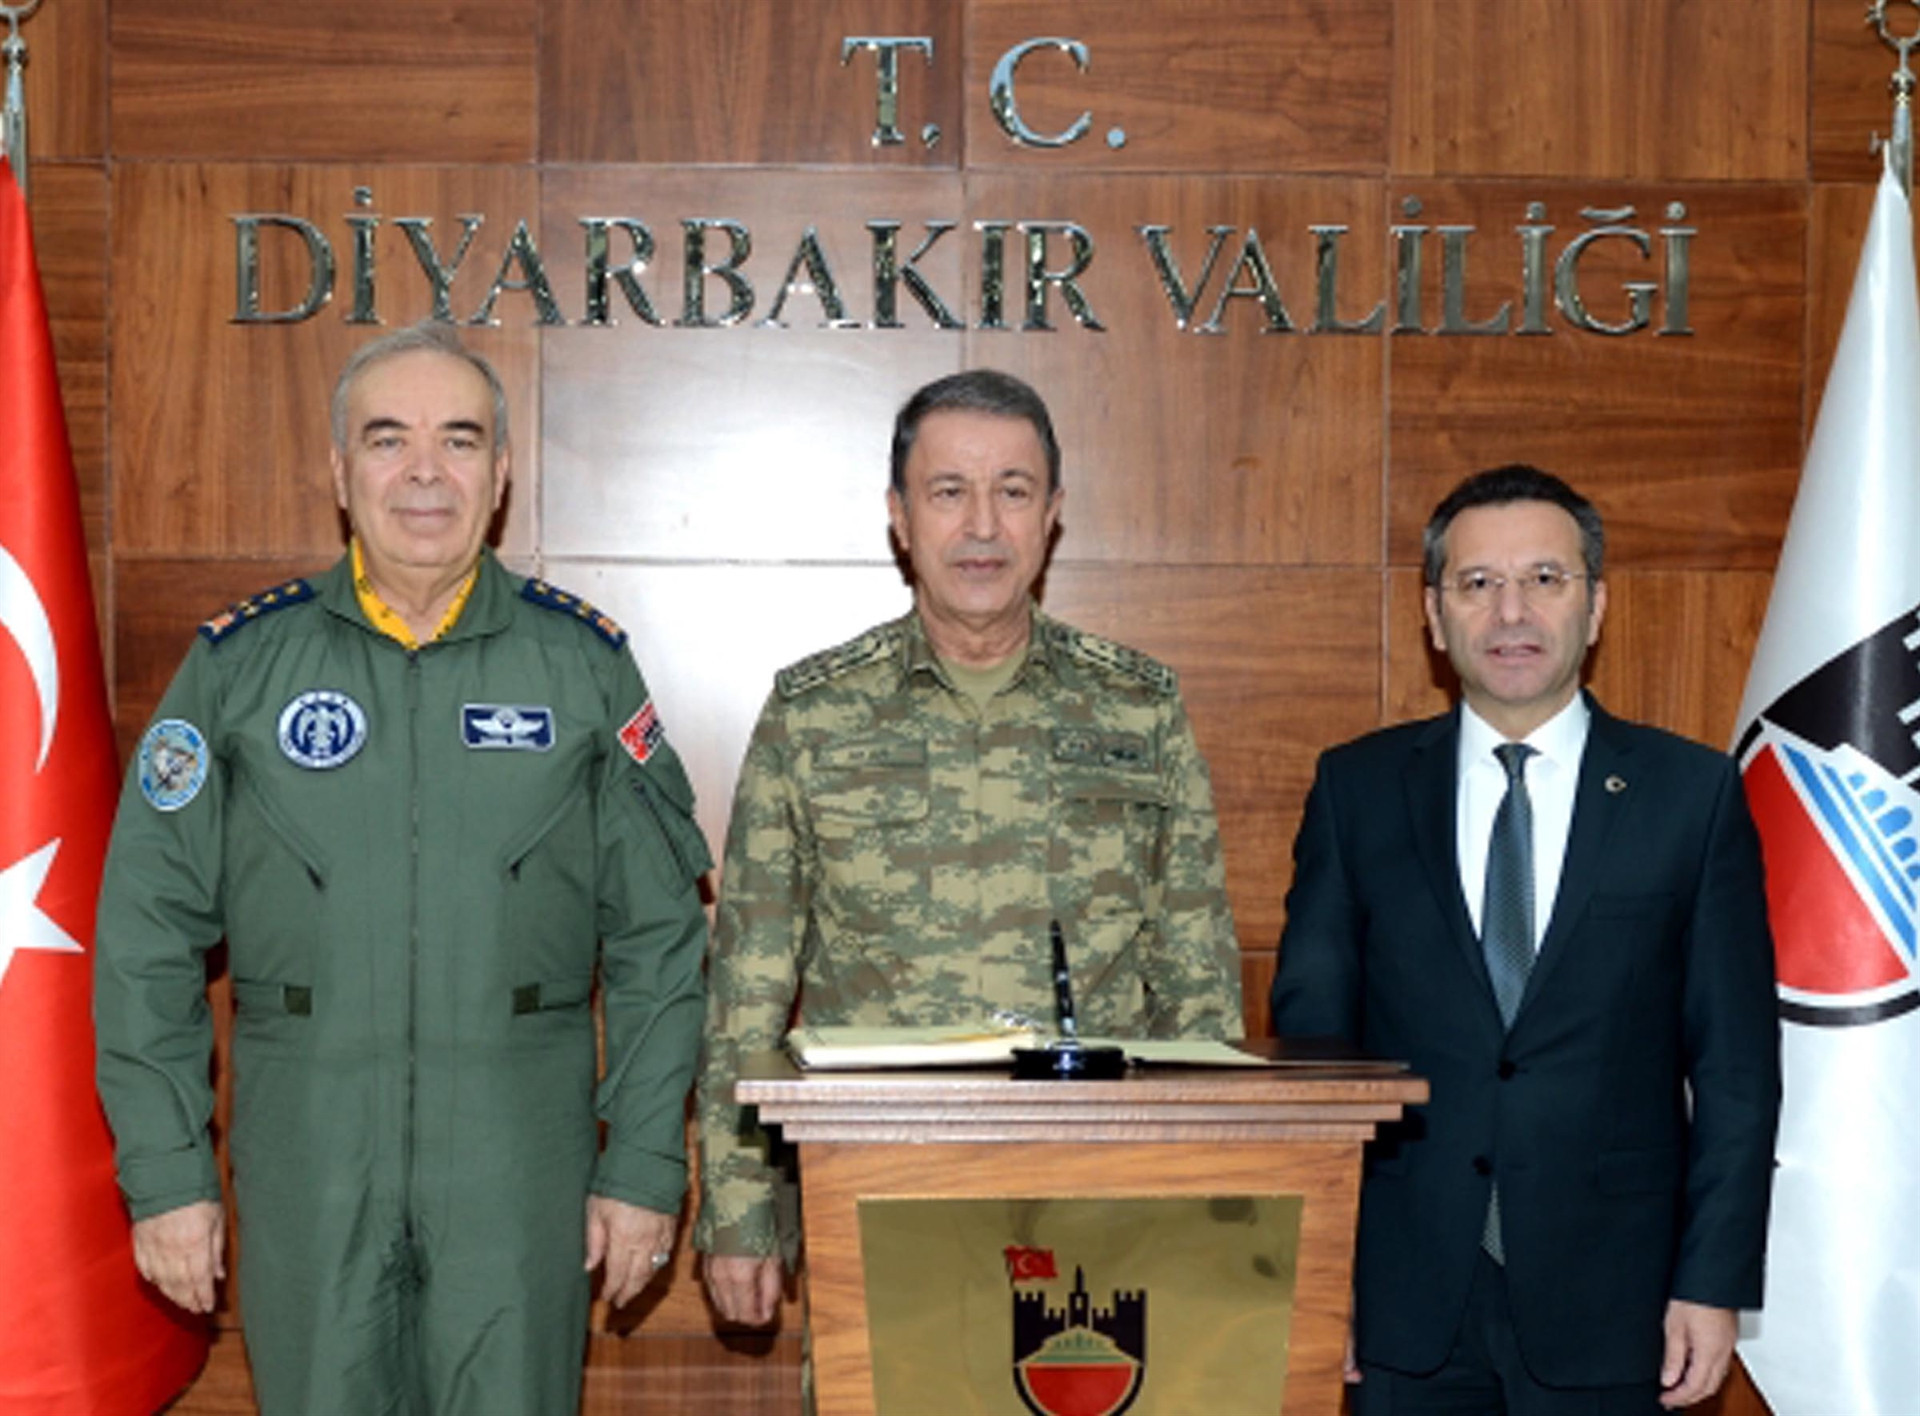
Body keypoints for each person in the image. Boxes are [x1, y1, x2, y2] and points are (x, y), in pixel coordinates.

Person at [93, 324, 712, 1416]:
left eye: (459, 440)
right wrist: (167, 1171)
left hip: (521, 1169)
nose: (426, 471)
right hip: (310, 1163)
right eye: (389, 440)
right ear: (341, 473)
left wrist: (645, 1163)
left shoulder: (582, 667)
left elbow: (662, 943)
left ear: (501, 474)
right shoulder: (241, 670)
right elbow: (146, 935)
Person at [696, 369, 1244, 1325]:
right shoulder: (814, 714)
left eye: (1013, 491)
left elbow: (1196, 981)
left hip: (1101, 1194)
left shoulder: (1138, 708)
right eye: (949, 492)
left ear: (1053, 514)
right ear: (900, 517)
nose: (982, 526)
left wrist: (1212, 1195)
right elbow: (749, 984)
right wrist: (741, 1208)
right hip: (877, 1183)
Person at [1270, 464, 1780, 1414]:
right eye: (1478, 583)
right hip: (1401, 1296)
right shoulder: (1357, 790)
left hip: (1619, 1297)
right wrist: (1318, 1266)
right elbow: (1314, 1055)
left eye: (1545, 578)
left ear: (1595, 606)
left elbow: (1736, 1068)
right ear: (1435, 615)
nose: (1512, 611)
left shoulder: (1691, 796)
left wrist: (1712, 1282)